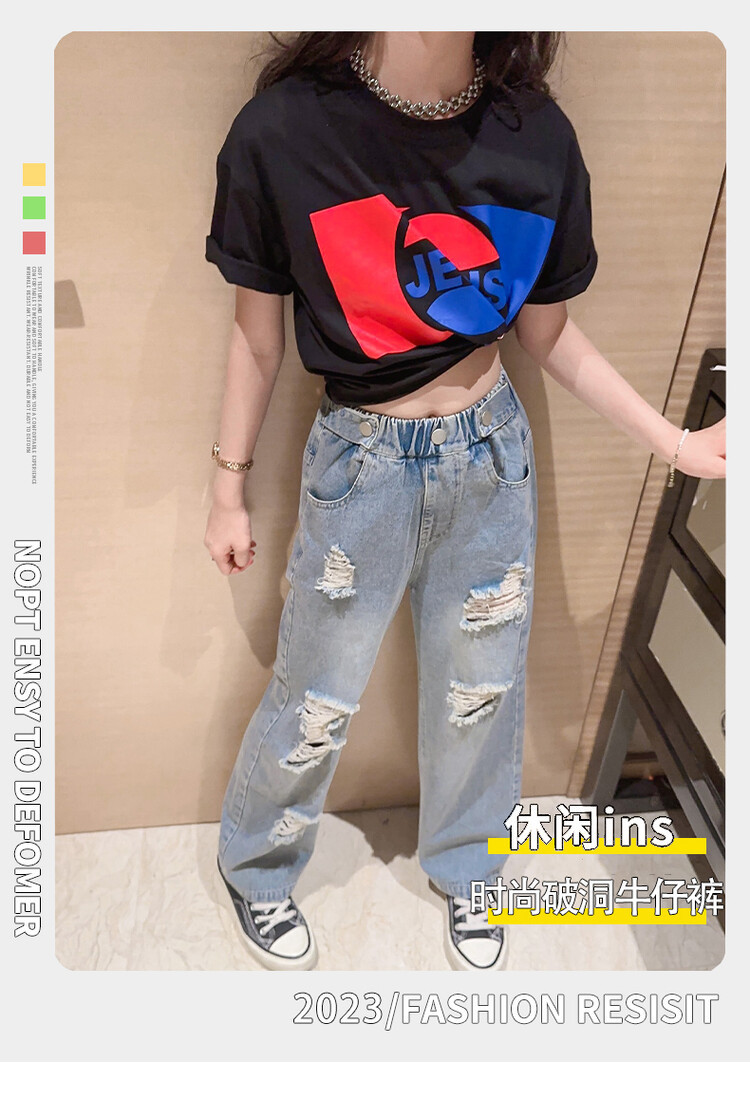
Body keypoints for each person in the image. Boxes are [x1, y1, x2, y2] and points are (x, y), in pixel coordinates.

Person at [203, 31, 726, 972]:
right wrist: (226, 488)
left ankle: (470, 865)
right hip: (360, 464)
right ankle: (257, 863)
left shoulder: (536, 137)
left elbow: (548, 334)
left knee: (478, 689)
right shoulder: (282, 131)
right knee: (316, 688)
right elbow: (256, 338)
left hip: (490, 455)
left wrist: (675, 441)